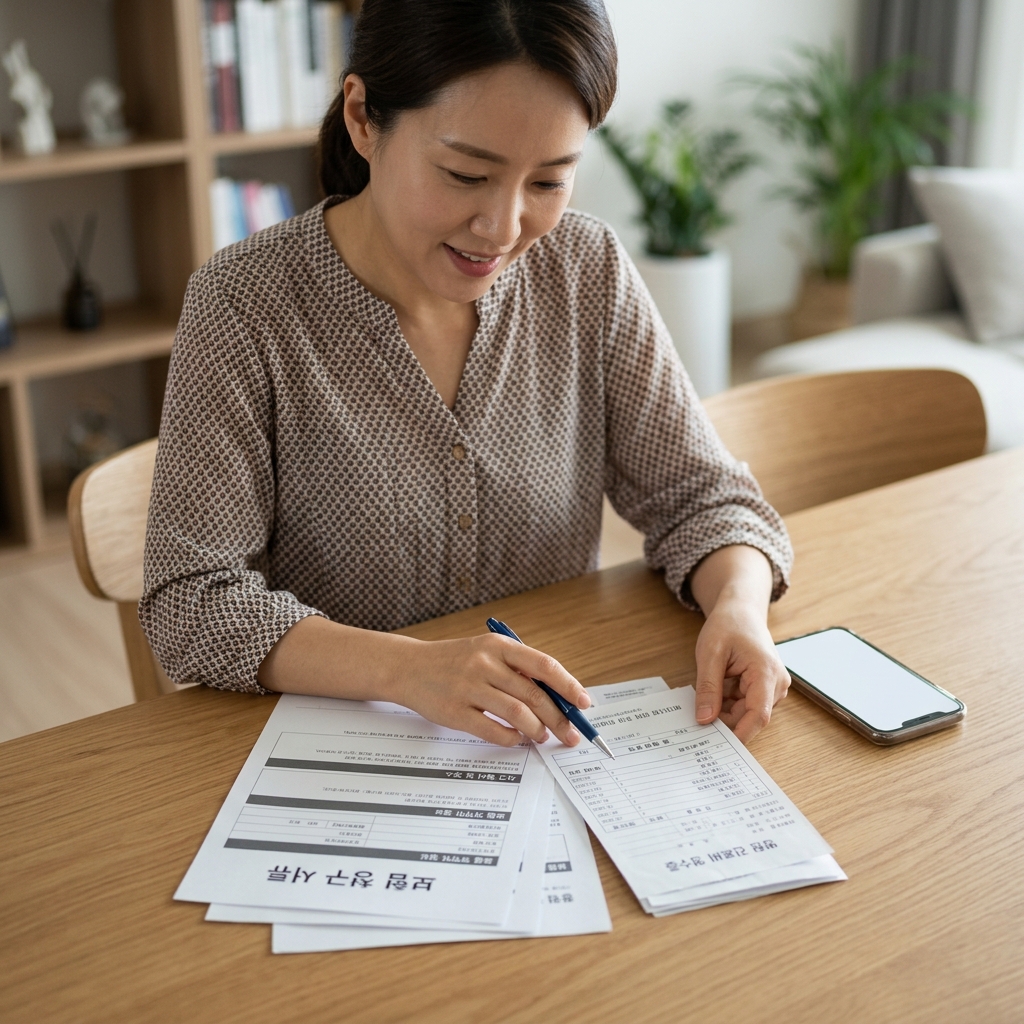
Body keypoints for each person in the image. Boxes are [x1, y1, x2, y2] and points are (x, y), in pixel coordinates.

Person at [141, 0, 793, 750]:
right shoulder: (244, 304)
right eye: (465, 174)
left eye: (548, 182)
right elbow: (190, 601)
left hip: (547, 746)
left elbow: (704, 497)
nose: (503, 228)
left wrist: (739, 606)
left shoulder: (587, 271)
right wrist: (405, 670)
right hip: (337, 757)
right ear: (362, 117)